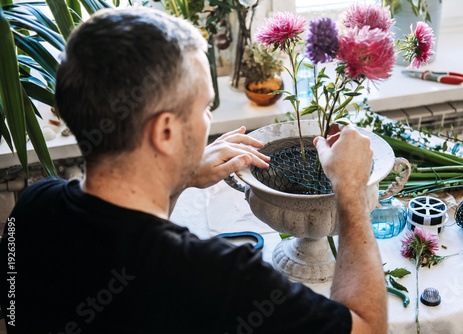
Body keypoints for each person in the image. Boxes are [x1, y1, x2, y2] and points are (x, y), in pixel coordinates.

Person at [0, 8, 386, 334]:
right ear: (165, 132)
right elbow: (368, 326)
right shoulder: (219, 278)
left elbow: (123, 242)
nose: (209, 121)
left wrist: (176, 176)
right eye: (204, 108)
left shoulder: (32, 208)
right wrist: (349, 189)